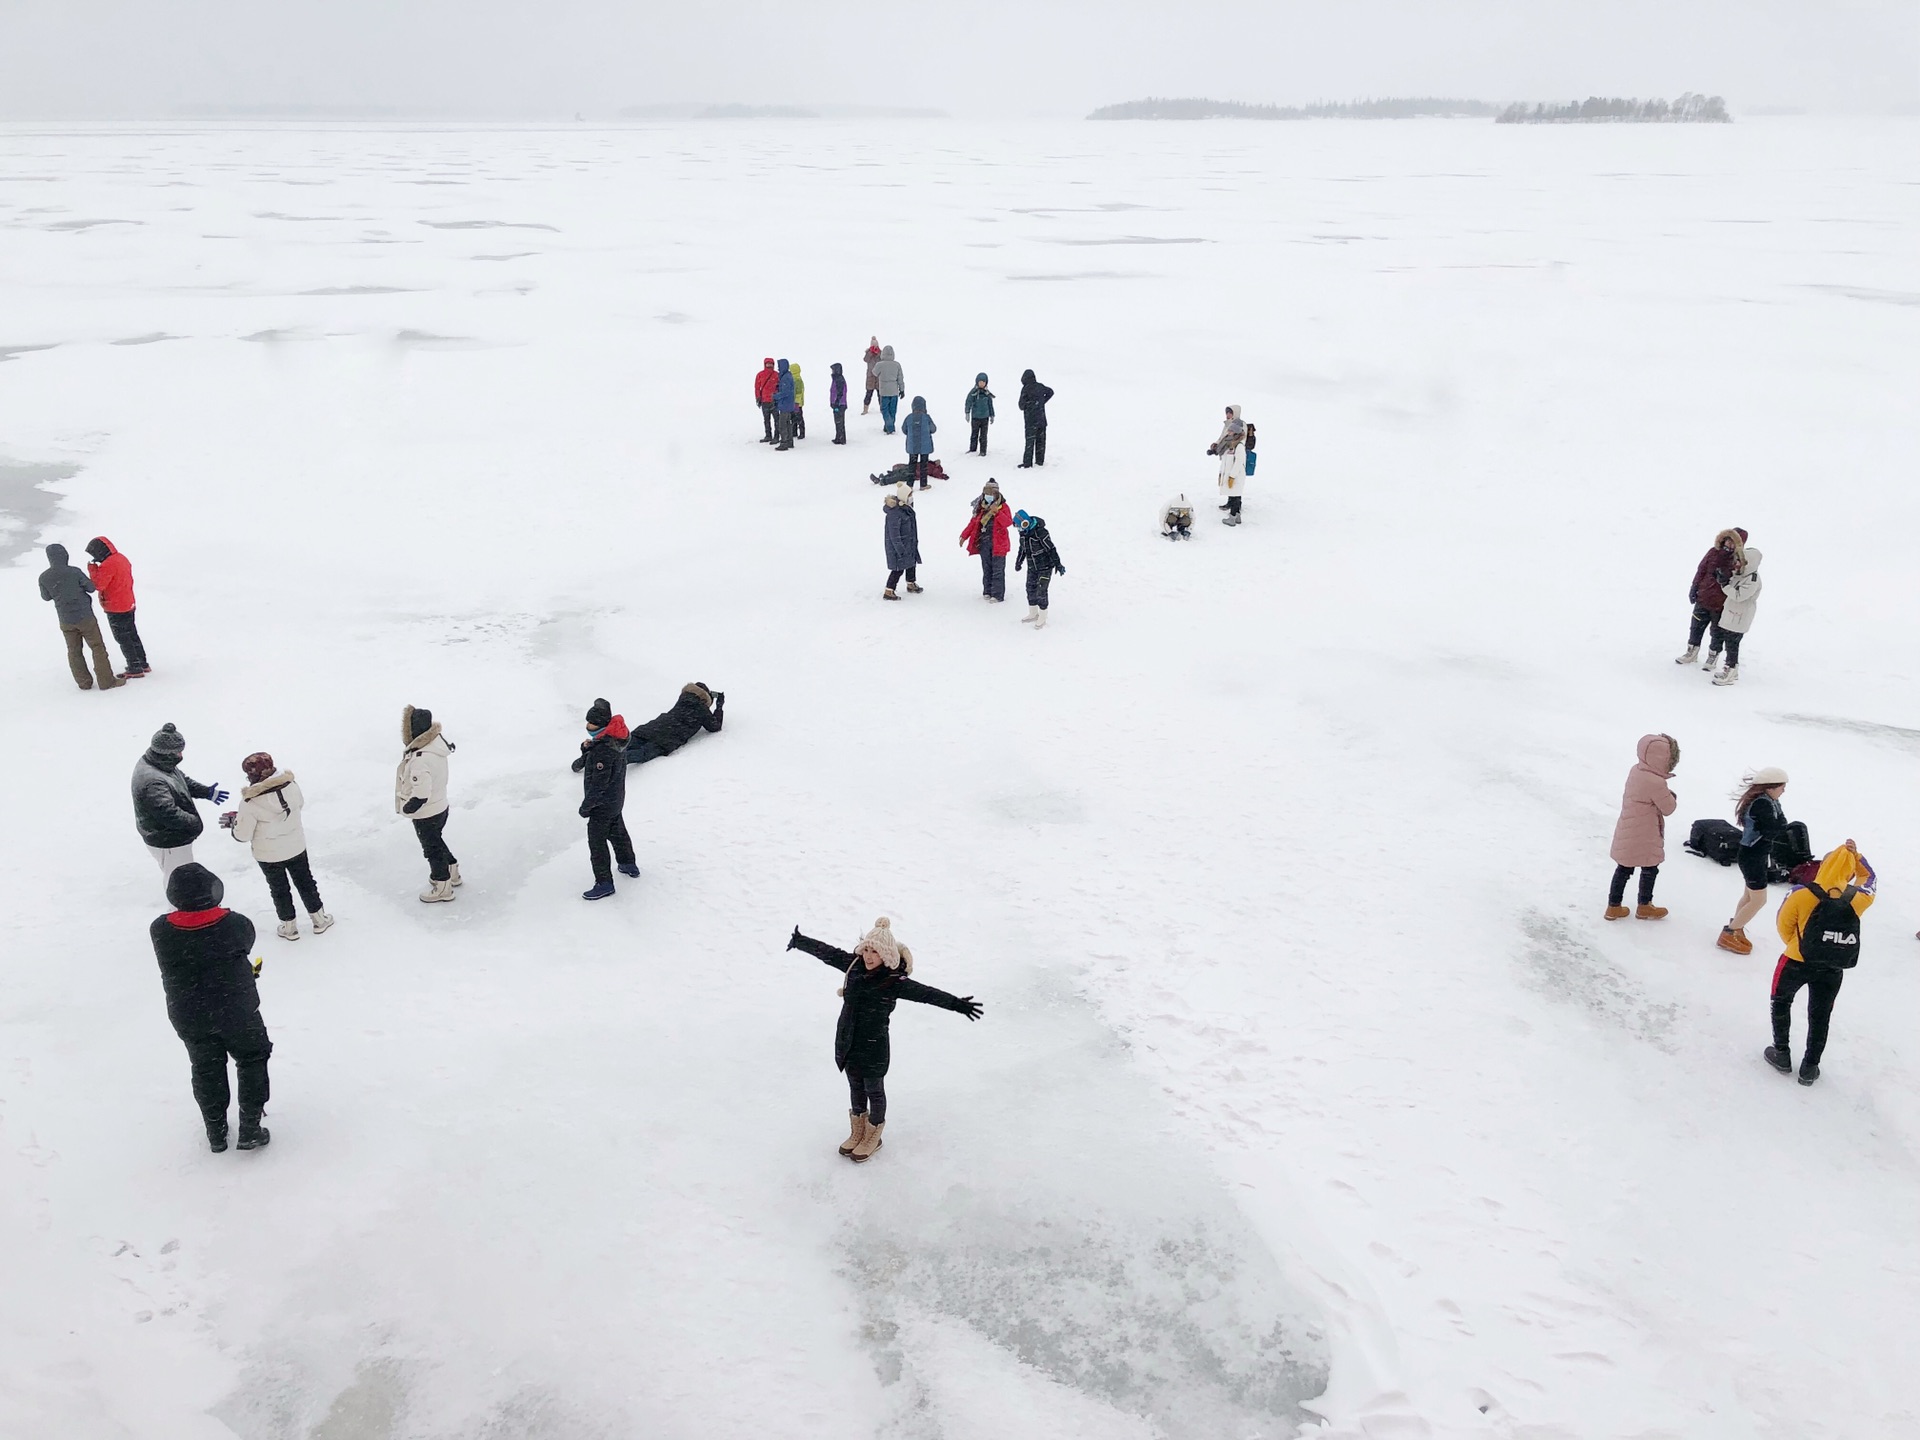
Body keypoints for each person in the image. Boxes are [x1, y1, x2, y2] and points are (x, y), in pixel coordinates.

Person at [785, 918, 983, 1163]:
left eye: (875, 951)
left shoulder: (893, 981)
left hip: (874, 1046)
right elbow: (828, 952)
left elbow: (927, 994)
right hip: (848, 1040)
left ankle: (873, 1136)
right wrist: (800, 941)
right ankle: (857, 1132)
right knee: (855, 1088)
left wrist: (958, 1004)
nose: (868, 956)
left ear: (885, 954)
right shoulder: (853, 966)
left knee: (874, 1091)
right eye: (866, 949)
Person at [150, 862, 273, 1152]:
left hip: (190, 1015)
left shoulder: (160, 930)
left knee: (206, 1068)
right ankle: (250, 1127)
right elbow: (246, 943)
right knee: (252, 1058)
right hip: (237, 1011)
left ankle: (216, 1132)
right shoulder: (235, 924)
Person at [1766, 840, 1875, 1085]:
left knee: (1781, 1001)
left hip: (1795, 960)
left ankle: (1781, 1052)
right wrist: (1855, 855)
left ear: (1822, 867)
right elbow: (1870, 878)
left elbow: (1783, 925)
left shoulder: (1801, 894)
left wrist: (1798, 945)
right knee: (1821, 1014)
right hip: (1832, 967)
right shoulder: (1856, 899)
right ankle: (1810, 1066)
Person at [220, 752, 333, 941]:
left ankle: (289, 928)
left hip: (268, 855)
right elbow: (300, 805)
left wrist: (234, 823)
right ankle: (319, 920)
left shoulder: (249, 802)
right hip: (296, 846)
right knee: (305, 882)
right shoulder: (292, 785)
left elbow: (243, 835)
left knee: (279, 889)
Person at [133, 723, 228, 893]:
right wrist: (194, 823)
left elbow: (182, 780)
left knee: (180, 875)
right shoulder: (152, 781)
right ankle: (178, 912)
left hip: (173, 837)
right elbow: (168, 813)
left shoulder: (161, 765)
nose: (181, 755)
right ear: (166, 753)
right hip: (168, 840)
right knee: (177, 879)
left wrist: (206, 792)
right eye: (178, 752)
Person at [570, 698, 638, 901]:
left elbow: (599, 784)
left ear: (601, 726)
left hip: (602, 804)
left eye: (591, 725)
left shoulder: (603, 751)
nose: (588, 727)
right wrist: (589, 748)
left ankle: (604, 883)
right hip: (616, 799)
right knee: (617, 831)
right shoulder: (617, 737)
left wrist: (586, 807)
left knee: (597, 843)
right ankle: (627, 863)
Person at [1605, 733, 1678, 919]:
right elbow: (1668, 808)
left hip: (1628, 829)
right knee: (1650, 869)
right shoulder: (1656, 782)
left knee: (1623, 869)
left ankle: (1613, 905)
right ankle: (1644, 904)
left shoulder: (1636, 771)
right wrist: (1672, 796)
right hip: (1646, 834)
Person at [1718, 767, 1789, 954]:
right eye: (1782, 787)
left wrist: (1780, 826)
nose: (1784, 790)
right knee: (1759, 900)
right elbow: (1775, 829)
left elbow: (1780, 824)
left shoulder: (1770, 801)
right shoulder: (1763, 805)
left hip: (1754, 854)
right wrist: (1781, 827)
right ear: (1770, 787)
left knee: (1749, 896)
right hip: (1753, 856)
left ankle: (1736, 925)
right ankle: (1730, 933)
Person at [37, 542, 122, 691]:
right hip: (85, 616)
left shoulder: (44, 577)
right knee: (97, 647)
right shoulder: (75, 572)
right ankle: (106, 681)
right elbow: (90, 588)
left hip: (65, 620)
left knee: (74, 651)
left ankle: (84, 682)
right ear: (65, 556)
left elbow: (46, 597)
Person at [396, 705, 460, 903]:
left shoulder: (420, 759)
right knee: (436, 840)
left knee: (431, 848)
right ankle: (452, 870)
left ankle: (443, 886)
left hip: (427, 812)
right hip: (441, 806)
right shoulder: (436, 746)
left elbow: (421, 794)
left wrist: (408, 807)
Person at [1676, 528, 1747, 666]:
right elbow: (1701, 570)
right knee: (1696, 626)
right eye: (1728, 540)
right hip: (1703, 597)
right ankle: (1692, 651)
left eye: (1734, 542)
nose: (1729, 544)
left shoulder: (1739, 560)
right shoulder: (1713, 552)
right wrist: (1694, 587)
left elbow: (1739, 579)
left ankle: (1713, 655)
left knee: (1717, 632)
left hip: (1721, 604)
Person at [84, 536, 149, 678]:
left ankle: (134, 667)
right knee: (132, 633)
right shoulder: (121, 558)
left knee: (122, 637)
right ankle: (142, 662)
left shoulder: (108, 565)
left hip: (115, 607)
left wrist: (93, 569)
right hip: (128, 602)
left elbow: (98, 585)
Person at [625, 683, 725, 765]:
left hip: (651, 728)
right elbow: (714, 726)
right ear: (705, 697)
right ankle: (615, 761)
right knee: (642, 754)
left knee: (625, 745)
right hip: (667, 738)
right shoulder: (701, 709)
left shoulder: (682, 699)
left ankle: (611, 756)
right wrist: (719, 707)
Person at [1705, 547, 1761, 686]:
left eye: (1742, 562)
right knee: (1729, 642)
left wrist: (1724, 584)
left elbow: (1738, 595)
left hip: (1739, 618)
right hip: (1732, 615)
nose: (1737, 564)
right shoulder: (1742, 574)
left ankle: (1730, 669)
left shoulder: (1752, 580)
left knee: (1732, 644)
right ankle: (1732, 670)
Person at [960, 479, 1014, 602]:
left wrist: (997, 513)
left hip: (999, 544)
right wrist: (964, 535)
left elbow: (1008, 522)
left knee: (998, 570)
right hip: (984, 542)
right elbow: (973, 522)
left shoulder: (1003, 507)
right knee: (986, 568)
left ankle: (997, 594)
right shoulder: (980, 506)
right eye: (986, 492)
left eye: (991, 493)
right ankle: (987, 591)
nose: (988, 496)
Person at [1013, 509, 1065, 630]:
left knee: (1041, 591)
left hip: (1045, 567)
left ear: (1025, 523)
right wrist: (1018, 562)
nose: (1019, 530)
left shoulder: (1040, 532)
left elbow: (1051, 548)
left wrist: (1058, 564)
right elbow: (1022, 550)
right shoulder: (1023, 535)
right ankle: (1033, 612)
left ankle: (1043, 616)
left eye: (1020, 526)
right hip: (1032, 567)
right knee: (1030, 588)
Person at [883, 483, 922, 600]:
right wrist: (900, 549)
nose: (912, 497)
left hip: (909, 543)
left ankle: (911, 583)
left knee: (911, 563)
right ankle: (889, 590)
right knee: (898, 568)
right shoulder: (895, 513)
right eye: (910, 494)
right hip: (898, 547)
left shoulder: (906, 508)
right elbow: (894, 534)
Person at [1209, 406, 1247, 525]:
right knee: (1233, 492)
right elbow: (1222, 438)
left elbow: (1239, 460)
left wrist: (1232, 475)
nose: (1227, 415)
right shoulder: (1230, 436)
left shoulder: (1238, 444)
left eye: (1229, 413)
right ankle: (1236, 515)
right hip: (1230, 468)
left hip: (1235, 472)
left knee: (1236, 493)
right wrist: (1216, 446)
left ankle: (1233, 516)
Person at [1017, 369, 1053, 468]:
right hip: (1041, 419)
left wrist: (1028, 405)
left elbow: (1021, 405)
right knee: (1041, 441)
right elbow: (1051, 392)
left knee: (1030, 442)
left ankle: (1027, 463)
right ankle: (1040, 461)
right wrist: (1042, 401)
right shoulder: (1040, 386)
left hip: (1030, 421)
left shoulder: (1026, 389)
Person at [902, 396, 937, 488]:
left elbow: (904, 429)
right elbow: (933, 429)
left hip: (912, 446)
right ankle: (923, 485)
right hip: (925, 447)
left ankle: (909, 485)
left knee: (912, 466)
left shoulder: (909, 418)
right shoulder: (926, 417)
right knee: (923, 466)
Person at [873, 345, 905, 433]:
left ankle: (889, 426)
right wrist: (902, 390)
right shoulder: (897, 365)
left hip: (884, 390)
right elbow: (900, 378)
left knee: (884, 409)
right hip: (894, 390)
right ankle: (889, 425)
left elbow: (874, 373)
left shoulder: (880, 364)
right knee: (892, 410)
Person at [964, 373, 995, 455]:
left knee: (983, 435)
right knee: (974, 434)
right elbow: (968, 402)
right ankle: (972, 449)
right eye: (980, 382)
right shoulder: (973, 392)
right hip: (975, 417)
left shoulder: (987, 393)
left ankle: (983, 451)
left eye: (983, 382)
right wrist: (967, 412)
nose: (981, 384)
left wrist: (992, 415)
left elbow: (990, 405)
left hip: (985, 418)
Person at [754, 357, 779, 443]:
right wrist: (758, 398)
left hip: (774, 401)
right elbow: (757, 388)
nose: (769, 365)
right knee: (767, 420)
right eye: (768, 363)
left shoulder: (776, 375)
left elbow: (779, 387)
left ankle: (776, 436)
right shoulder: (761, 375)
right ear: (765, 364)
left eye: (771, 363)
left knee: (776, 420)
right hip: (765, 401)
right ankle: (768, 435)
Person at [773, 359, 797, 450]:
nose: (778, 368)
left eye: (779, 366)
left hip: (785, 404)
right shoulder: (788, 376)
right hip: (788, 404)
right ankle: (789, 441)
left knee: (783, 424)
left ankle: (784, 442)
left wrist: (776, 396)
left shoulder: (785, 377)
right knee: (787, 423)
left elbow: (786, 392)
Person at [862, 337, 883, 415]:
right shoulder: (868, 353)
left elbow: (883, 360)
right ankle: (865, 409)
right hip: (870, 377)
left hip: (878, 377)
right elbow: (865, 359)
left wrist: (878, 353)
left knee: (880, 394)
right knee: (868, 394)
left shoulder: (881, 353)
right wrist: (870, 352)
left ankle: (882, 408)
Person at [830, 361, 849, 444]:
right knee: (839, 422)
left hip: (839, 404)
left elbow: (840, 393)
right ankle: (839, 437)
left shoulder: (839, 380)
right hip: (839, 403)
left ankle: (841, 438)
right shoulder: (838, 379)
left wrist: (836, 403)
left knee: (839, 422)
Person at [790, 362, 808, 440]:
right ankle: (796, 432)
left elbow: (798, 393)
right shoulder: (796, 378)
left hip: (797, 403)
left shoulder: (796, 380)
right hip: (797, 402)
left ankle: (801, 432)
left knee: (798, 417)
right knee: (796, 417)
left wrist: (796, 403)